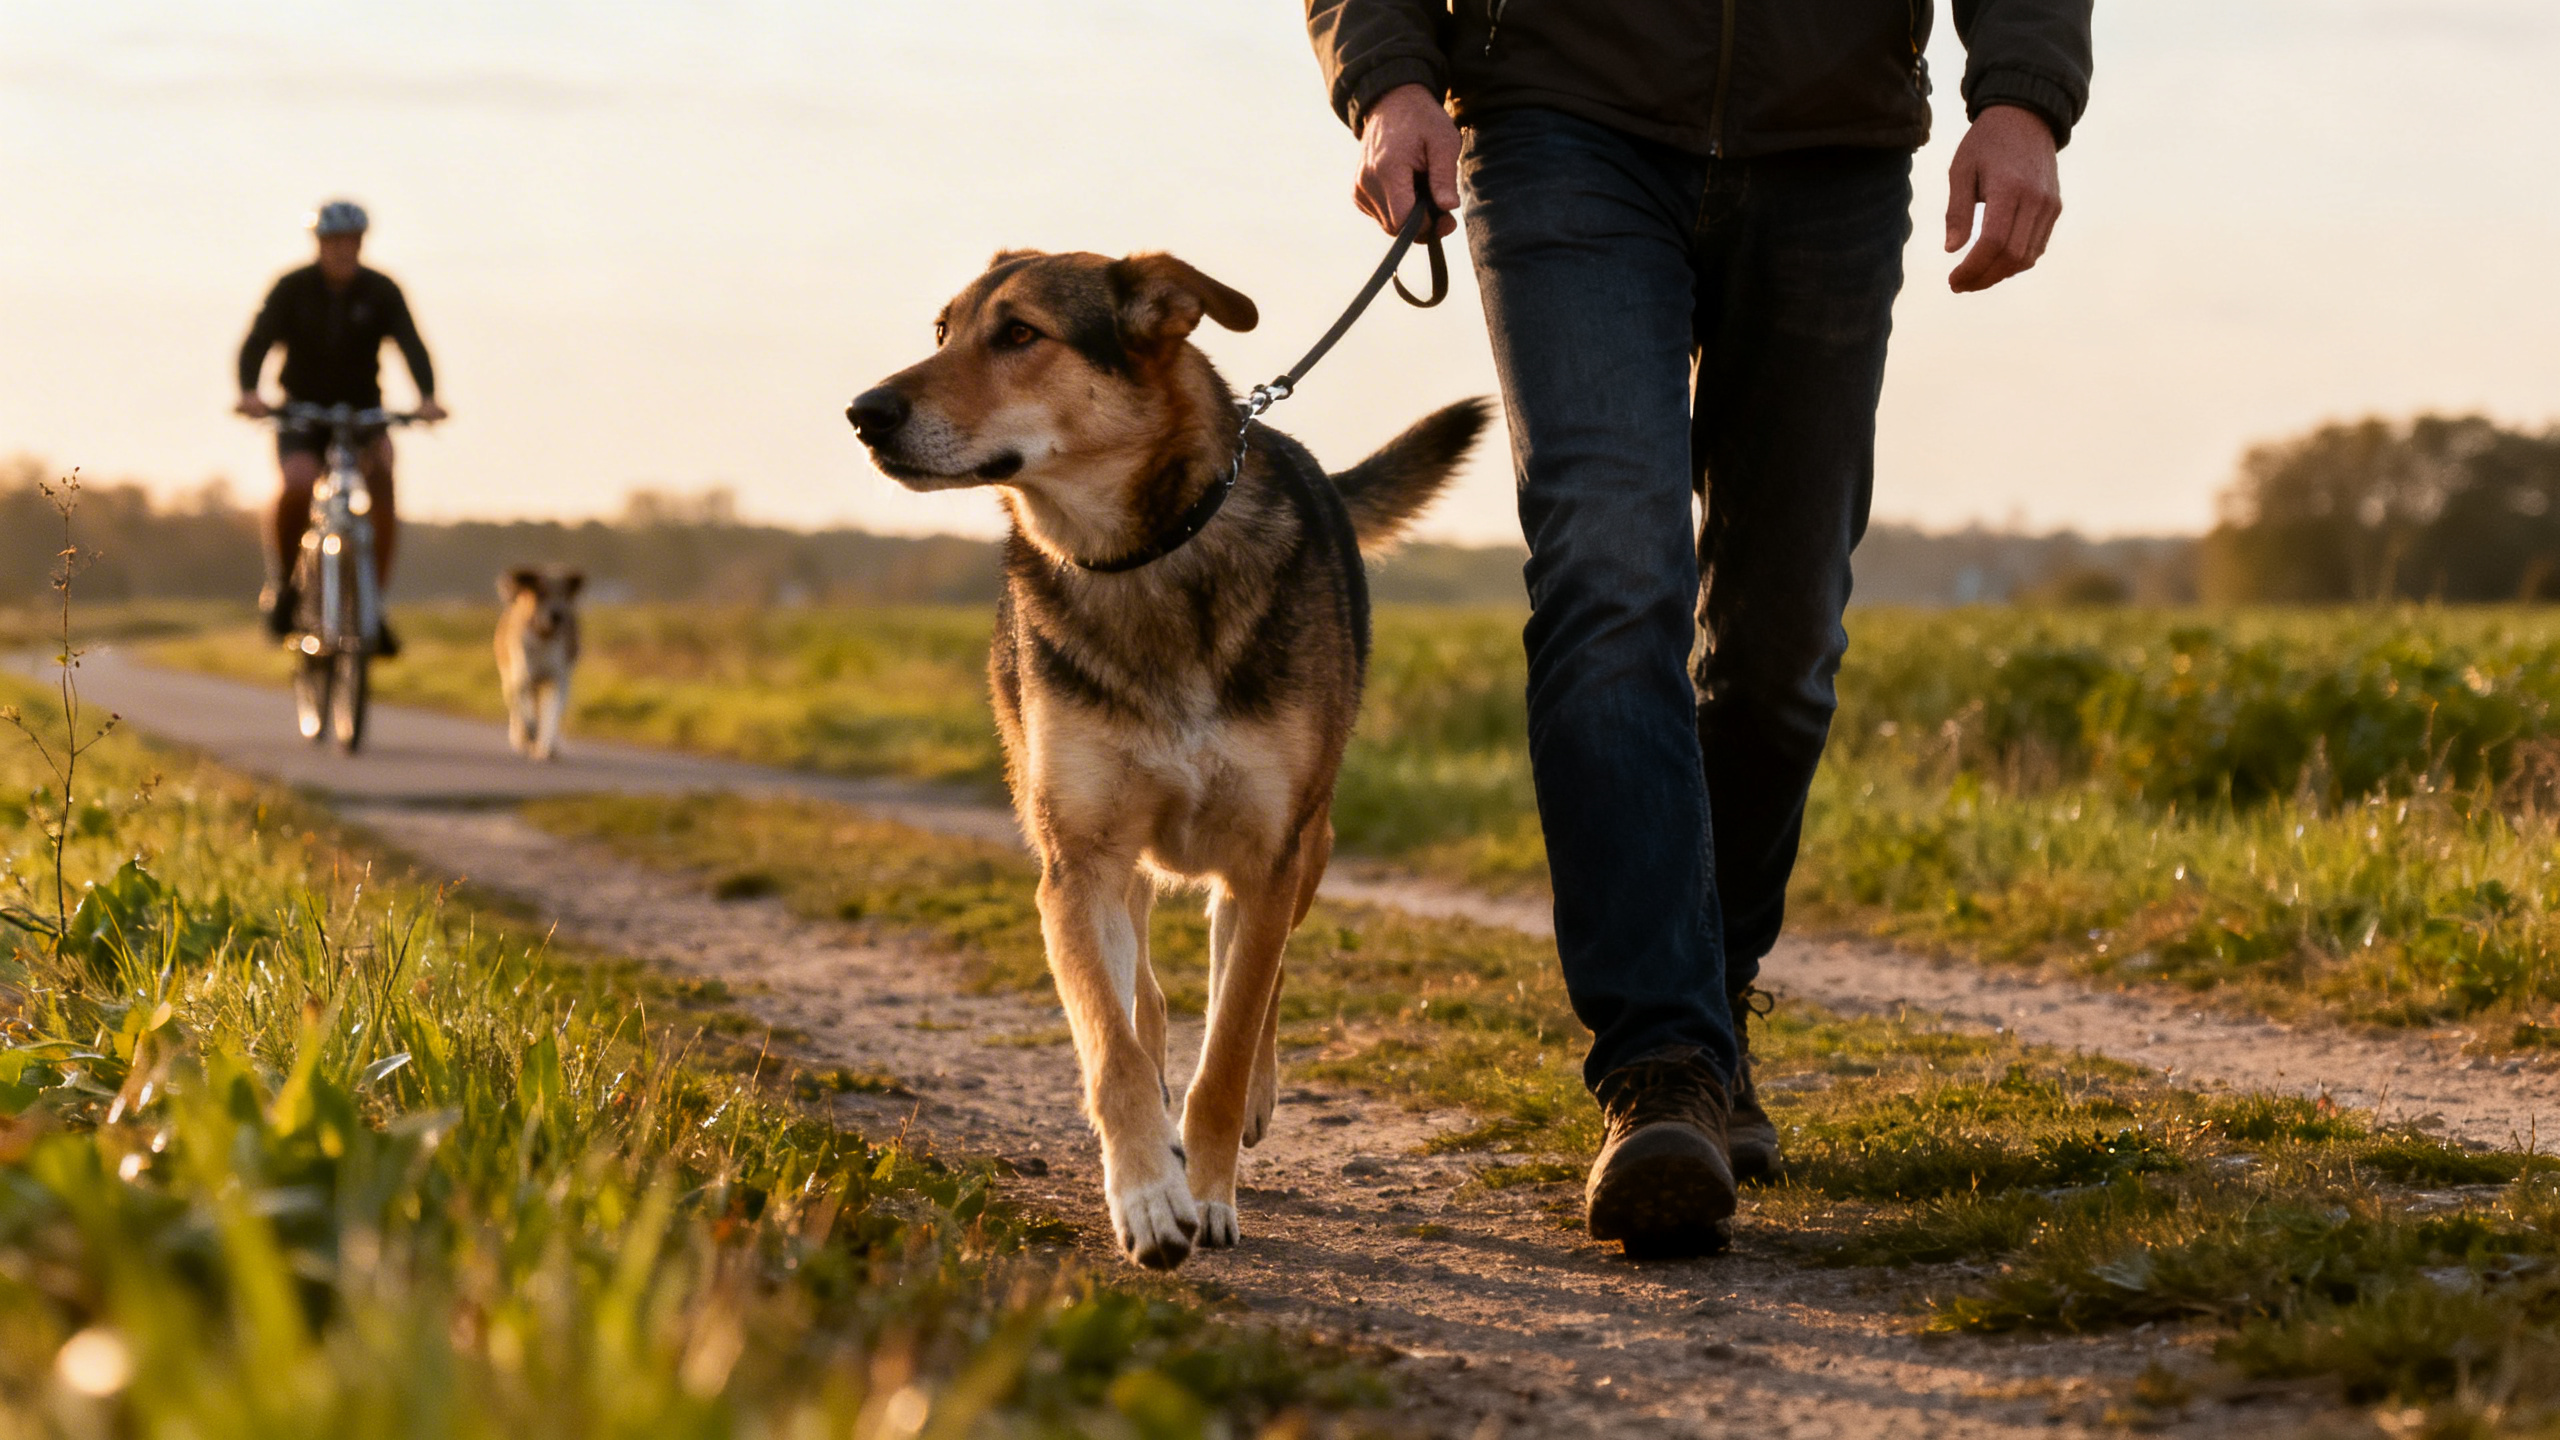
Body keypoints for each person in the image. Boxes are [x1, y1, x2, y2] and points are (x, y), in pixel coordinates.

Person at [1304, 0, 2092, 1252]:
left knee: (1783, 647)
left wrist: (2024, 95)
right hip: (1565, 117)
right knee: (1612, 574)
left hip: (1830, 144)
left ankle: (1710, 1011)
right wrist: (1391, 80)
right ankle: (1659, 1062)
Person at [234, 200, 446, 654]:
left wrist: (427, 398)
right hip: (302, 413)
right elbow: (257, 341)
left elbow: (412, 344)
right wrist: (250, 391)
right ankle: (284, 586)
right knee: (298, 482)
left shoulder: (382, 291)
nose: (341, 251)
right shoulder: (293, 289)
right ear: (320, 245)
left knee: (384, 475)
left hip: (362, 413)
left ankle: (374, 607)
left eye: (350, 242)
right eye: (333, 243)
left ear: (361, 244)